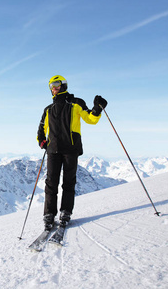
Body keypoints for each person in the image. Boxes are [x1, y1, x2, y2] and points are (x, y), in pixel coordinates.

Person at [37, 75, 107, 230]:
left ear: (63, 85)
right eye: (50, 86)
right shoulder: (48, 109)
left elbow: (90, 119)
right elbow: (41, 128)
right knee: (51, 183)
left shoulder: (76, 103)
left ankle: (66, 212)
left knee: (69, 182)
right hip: (53, 150)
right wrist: (42, 141)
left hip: (71, 149)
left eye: (56, 84)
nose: (53, 88)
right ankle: (49, 214)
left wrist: (97, 109)